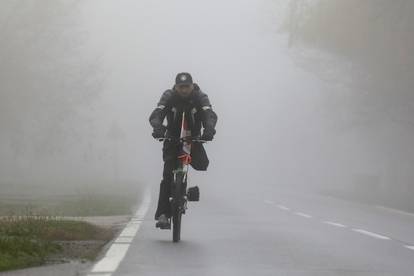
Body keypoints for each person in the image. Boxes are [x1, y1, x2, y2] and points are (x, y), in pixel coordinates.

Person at [149, 72, 218, 229]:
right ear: (176, 87)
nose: (184, 90)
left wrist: (209, 130)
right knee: (167, 174)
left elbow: (210, 115)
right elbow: (156, 114)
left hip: (192, 139)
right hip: (172, 139)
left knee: (201, 164)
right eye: (181, 87)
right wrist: (158, 128)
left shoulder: (201, 97)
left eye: (187, 87)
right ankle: (163, 215)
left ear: (192, 86)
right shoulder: (169, 96)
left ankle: (184, 193)